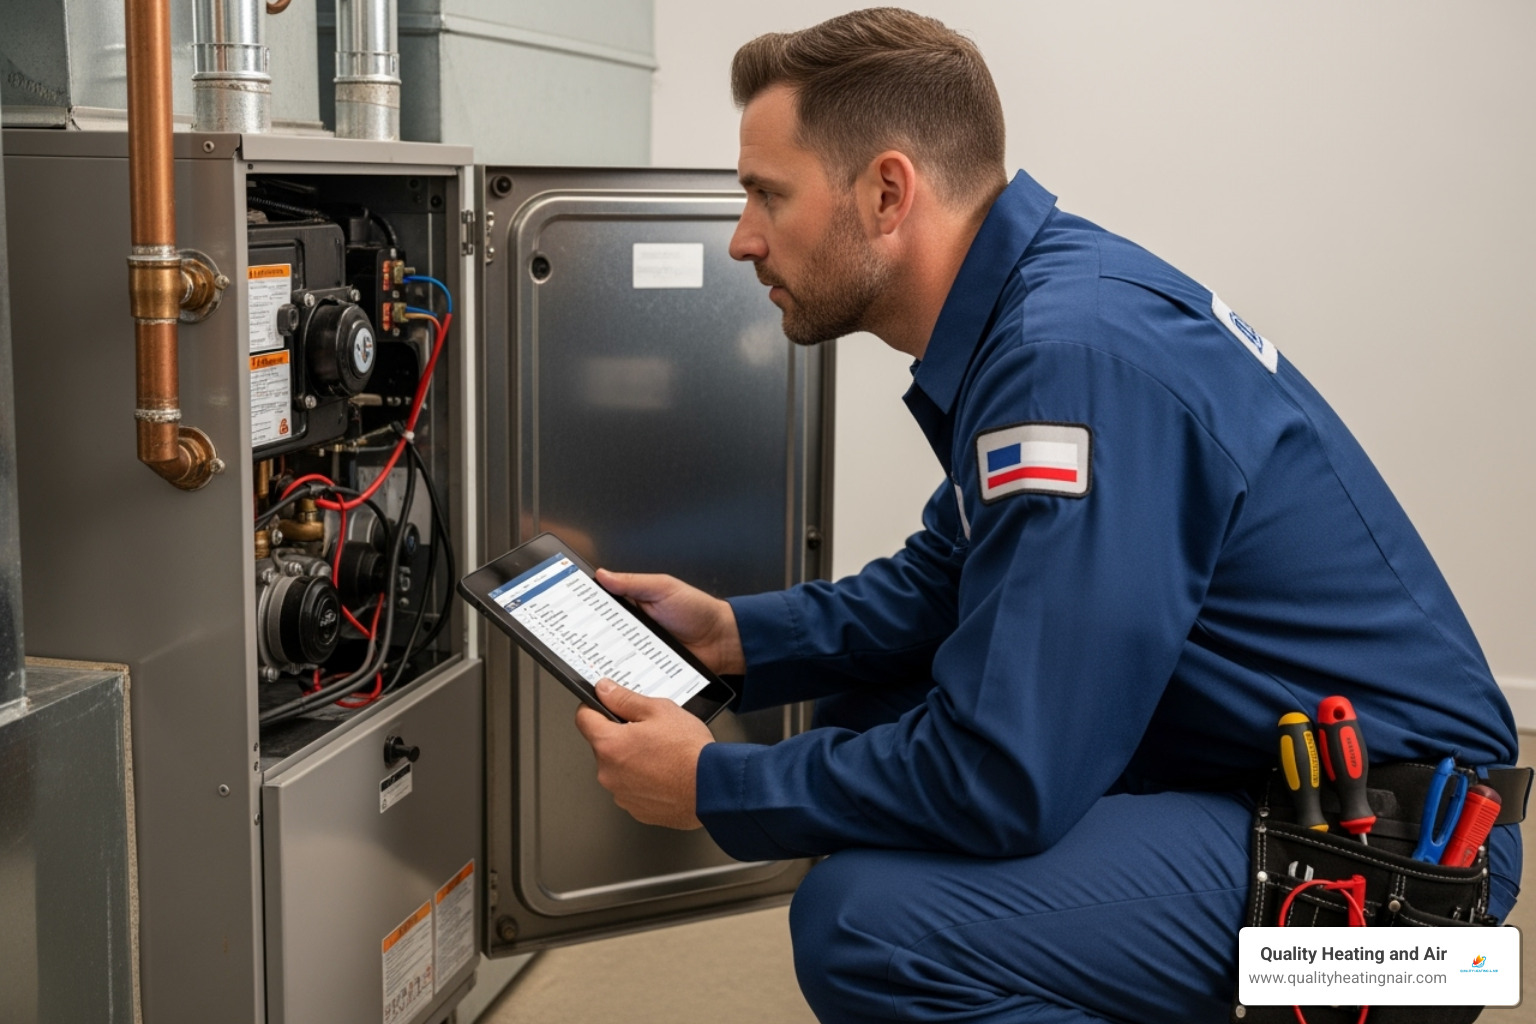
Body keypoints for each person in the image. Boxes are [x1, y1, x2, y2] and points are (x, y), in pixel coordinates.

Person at [574, 9, 1523, 1023]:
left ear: (888, 191)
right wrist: (735, 636)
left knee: (867, 926)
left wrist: (718, 786)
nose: (742, 238)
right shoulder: (1041, 309)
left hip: (1405, 892)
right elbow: (943, 582)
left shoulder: (1067, 359)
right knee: (867, 714)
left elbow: (1004, 776)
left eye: (767, 193)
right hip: (1274, 781)